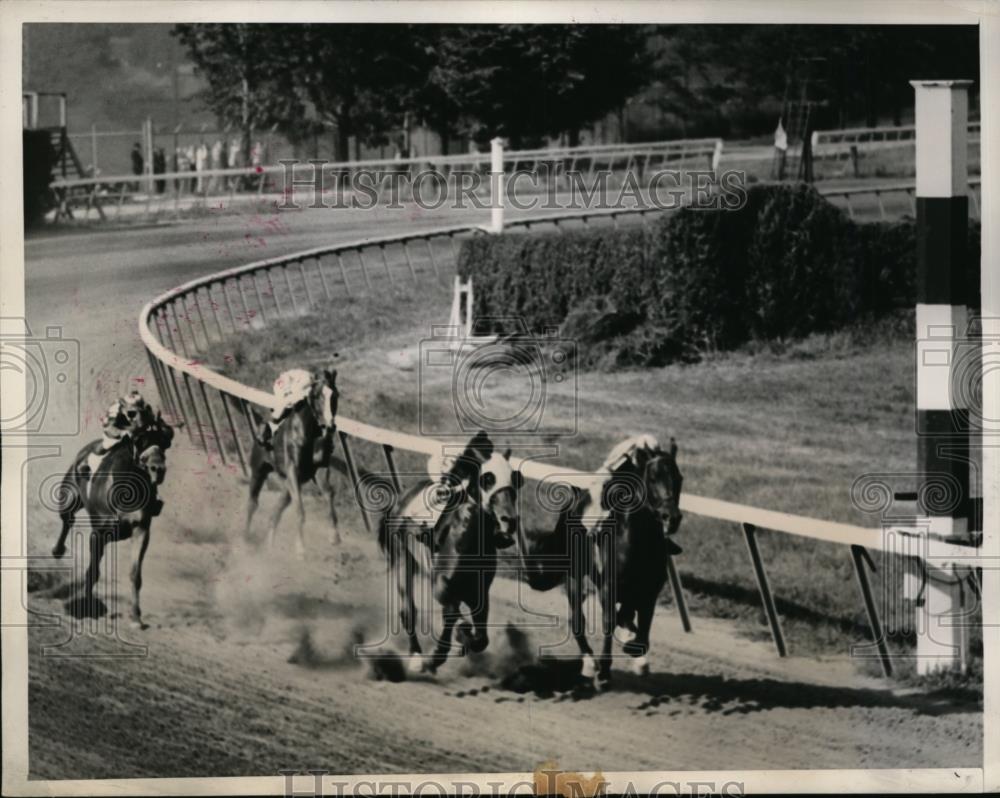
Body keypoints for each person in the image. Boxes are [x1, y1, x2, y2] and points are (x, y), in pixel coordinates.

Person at [258, 368, 314, 449]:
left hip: (299, 383)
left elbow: (289, 398)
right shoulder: (281, 388)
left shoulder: (285, 386)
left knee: (286, 404)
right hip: (295, 386)